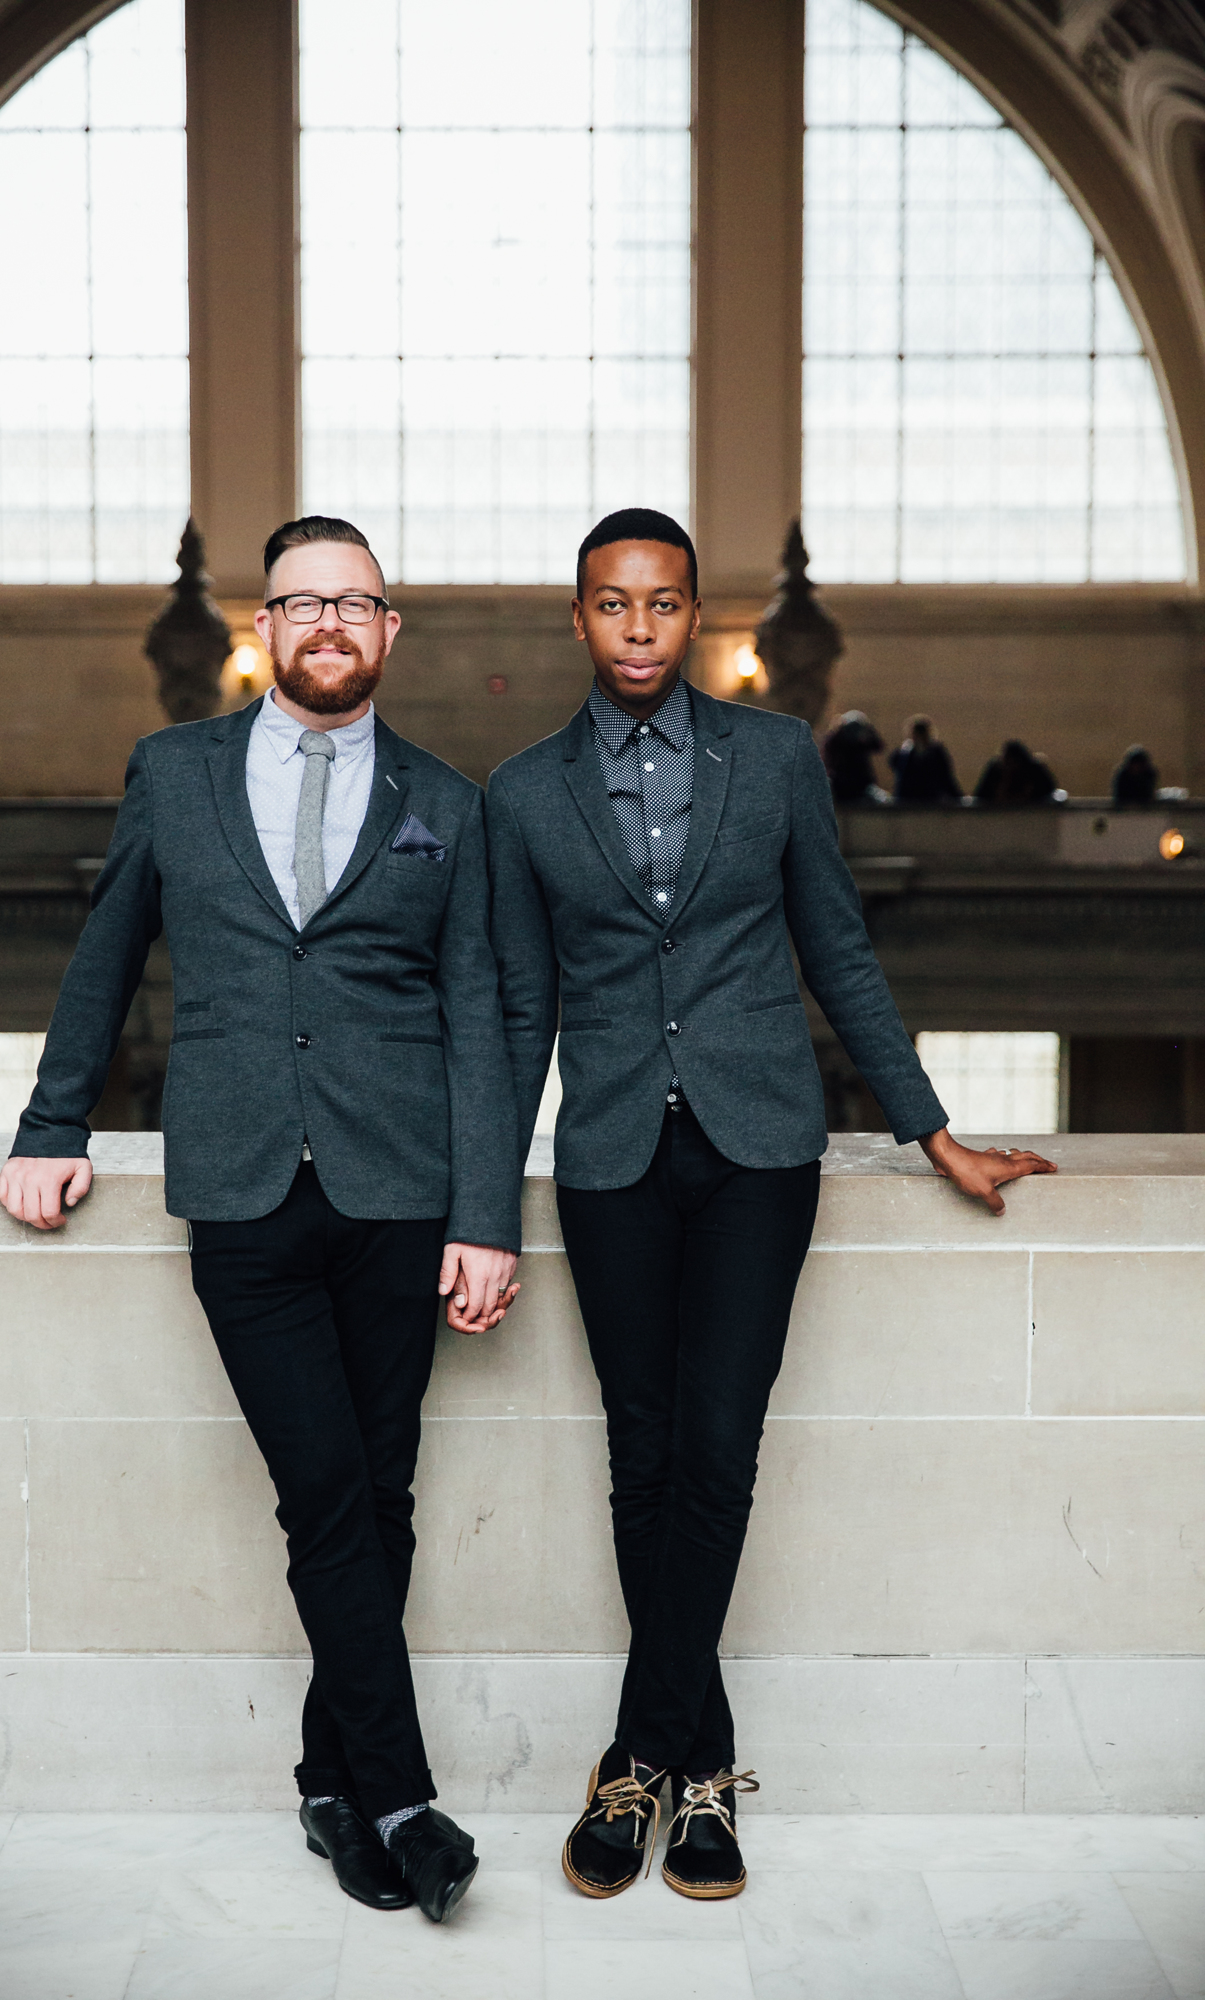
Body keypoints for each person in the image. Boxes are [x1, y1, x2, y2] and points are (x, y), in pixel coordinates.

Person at [484, 506, 1055, 1904]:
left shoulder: (775, 760)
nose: (636, 628)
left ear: (696, 618)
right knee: (642, 1454)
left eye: (662, 605)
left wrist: (928, 1129)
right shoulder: (519, 794)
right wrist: (480, 1203)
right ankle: (703, 1779)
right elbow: (513, 1014)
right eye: (611, 605)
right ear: (578, 619)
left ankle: (636, 1758)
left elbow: (838, 953)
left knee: (718, 1449)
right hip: (611, 1152)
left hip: (757, 1153)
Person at [0, 515, 521, 1925]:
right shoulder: (172, 776)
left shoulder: (447, 803)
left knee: (383, 1498)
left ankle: (327, 1778)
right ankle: (404, 1796)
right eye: (303, 601)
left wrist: (489, 1215)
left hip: (400, 1195)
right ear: (265, 626)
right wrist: (52, 1125)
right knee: (328, 1492)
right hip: (239, 1187)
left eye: (356, 602)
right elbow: (105, 953)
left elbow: (475, 1010)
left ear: (389, 630)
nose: (330, 623)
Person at [889, 715, 963, 804]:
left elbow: (945, 775)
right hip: (912, 797)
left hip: (928, 796)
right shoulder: (905, 752)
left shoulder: (935, 751)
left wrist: (957, 796)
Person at [820, 710, 889, 803]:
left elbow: (878, 746)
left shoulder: (860, 742)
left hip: (861, 781)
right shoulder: (837, 740)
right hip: (841, 781)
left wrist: (868, 731)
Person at [974, 738, 1061, 805]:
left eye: (1012, 763)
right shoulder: (996, 771)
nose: (1010, 767)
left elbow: (1049, 793)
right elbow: (981, 796)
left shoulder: (1035, 771)